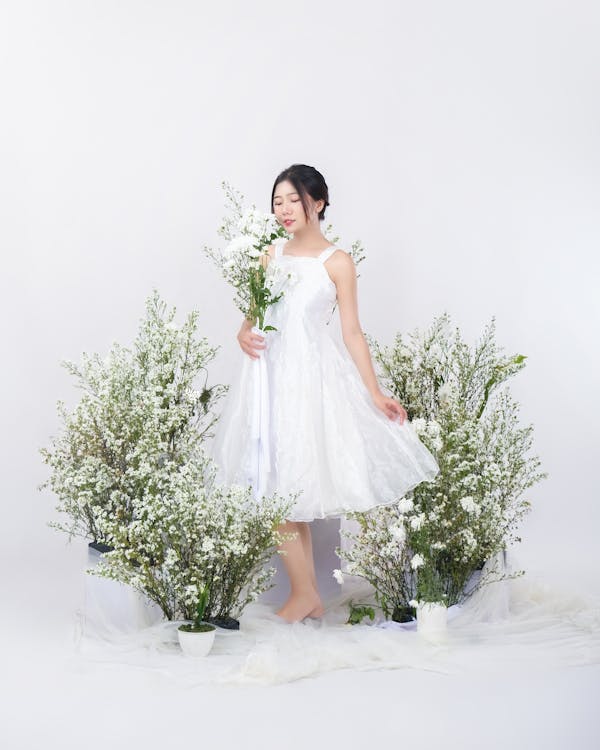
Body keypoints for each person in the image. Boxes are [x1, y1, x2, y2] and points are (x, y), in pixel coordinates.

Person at [211, 164, 440, 624]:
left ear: (316, 202)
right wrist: (242, 331)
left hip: (309, 382)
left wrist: (374, 392)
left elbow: (352, 332)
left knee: (291, 483)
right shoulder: (269, 255)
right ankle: (305, 593)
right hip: (268, 380)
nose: (283, 210)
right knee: (271, 482)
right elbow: (253, 315)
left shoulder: (336, 262)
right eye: (277, 202)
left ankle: (305, 594)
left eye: (292, 200)